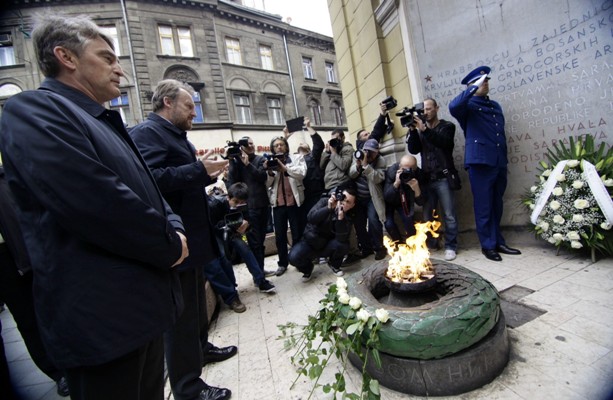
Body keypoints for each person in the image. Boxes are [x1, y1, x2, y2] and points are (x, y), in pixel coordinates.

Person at [0, 13, 188, 399]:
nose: (120, 70)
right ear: (66, 57)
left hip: (142, 315)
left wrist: (174, 225)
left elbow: (148, 190)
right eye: (107, 58)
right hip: (102, 324)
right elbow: (98, 201)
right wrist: (170, 244)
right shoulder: (32, 112)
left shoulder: (104, 121)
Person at [130, 79, 236, 400]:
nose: (194, 113)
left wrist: (205, 171)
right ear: (167, 102)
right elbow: (149, 181)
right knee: (180, 318)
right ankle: (188, 387)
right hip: (176, 245)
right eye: (189, 106)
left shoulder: (176, 136)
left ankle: (201, 349)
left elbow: (185, 177)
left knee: (194, 309)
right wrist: (197, 170)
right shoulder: (146, 134)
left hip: (196, 242)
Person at [0, 166, 70, 398]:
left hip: (23, 250)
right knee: (27, 319)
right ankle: (57, 372)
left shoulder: (6, 174)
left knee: (51, 310)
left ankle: (70, 363)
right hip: (5, 262)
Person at [449, 66, 521, 261]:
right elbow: (453, 106)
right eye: (482, 81)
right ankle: (487, 245)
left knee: (496, 204)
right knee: (483, 207)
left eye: (487, 80)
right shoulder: (467, 106)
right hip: (479, 162)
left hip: (497, 160)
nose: (486, 83)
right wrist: (473, 87)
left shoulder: (495, 105)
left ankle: (499, 241)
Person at [407, 98, 459, 261]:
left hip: (443, 177)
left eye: (429, 109)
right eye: (424, 110)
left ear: (436, 108)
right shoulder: (420, 129)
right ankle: (432, 243)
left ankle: (451, 246)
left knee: (449, 214)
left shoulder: (447, 126)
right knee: (427, 215)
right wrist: (414, 131)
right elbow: (413, 149)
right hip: (427, 179)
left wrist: (425, 130)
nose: (426, 112)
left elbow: (444, 143)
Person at [208, 182, 276, 293]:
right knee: (224, 257)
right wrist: (227, 224)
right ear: (228, 197)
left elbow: (249, 220)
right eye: (235, 201)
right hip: (218, 235)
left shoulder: (243, 206)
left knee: (246, 250)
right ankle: (231, 289)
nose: (237, 205)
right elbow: (212, 225)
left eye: (241, 202)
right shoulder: (216, 205)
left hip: (233, 233)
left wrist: (246, 225)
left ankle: (260, 281)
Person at [227, 137, 274, 276]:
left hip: (263, 205)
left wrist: (248, 165)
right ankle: (258, 275)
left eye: (252, 143)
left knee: (261, 241)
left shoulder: (259, 160)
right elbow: (231, 182)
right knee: (254, 243)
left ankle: (260, 271)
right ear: (241, 147)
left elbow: (262, 177)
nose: (251, 146)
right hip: (247, 209)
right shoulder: (236, 162)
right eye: (247, 144)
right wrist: (232, 161)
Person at [288, 188, 358, 280]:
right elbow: (311, 217)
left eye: (348, 202)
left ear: (352, 205)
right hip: (310, 242)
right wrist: (328, 208)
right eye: (343, 198)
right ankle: (307, 269)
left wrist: (340, 219)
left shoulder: (348, 217)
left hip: (327, 245)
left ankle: (334, 265)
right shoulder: (325, 201)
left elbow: (341, 239)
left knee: (343, 245)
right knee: (293, 257)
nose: (343, 202)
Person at [265, 136, 307, 276]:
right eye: (276, 145)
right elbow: (267, 184)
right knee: (280, 237)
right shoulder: (271, 162)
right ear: (272, 149)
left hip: (294, 203)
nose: (279, 147)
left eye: (281, 144)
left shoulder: (296, 158)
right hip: (278, 204)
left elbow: (301, 174)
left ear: (286, 147)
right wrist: (270, 172)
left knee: (297, 233)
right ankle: (282, 264)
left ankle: (297, 259)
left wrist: (285, 168)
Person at [349, 139, 387, 260]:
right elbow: (351, 174)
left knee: (373, 221)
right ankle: (366, 248)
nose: (368, 154)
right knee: (359, 224)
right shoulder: (358, 156)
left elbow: (378, 178)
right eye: (366, 151)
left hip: (372, 197)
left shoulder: (381, 161)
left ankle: (379, 248)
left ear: (377, 152)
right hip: (359, 197)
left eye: (371, 152)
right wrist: (358, 165)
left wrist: (366, 166)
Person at [383, 155, 427, 242]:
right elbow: (387, 196)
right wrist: (396, 183)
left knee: (409, 220)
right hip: (390, 202)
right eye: (403, 169)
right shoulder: (392, 171)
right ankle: (399, 244)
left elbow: (421, 202)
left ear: (414, 169)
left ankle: (413, 244)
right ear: (399, 165)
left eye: (408, 170)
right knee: (389, 224)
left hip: (403, 202)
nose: (405, 172)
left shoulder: (418, 175)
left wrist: (417, 189)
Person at [294, 117, 326, 218]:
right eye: (299, 144)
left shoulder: (313, 156)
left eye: (303, 143)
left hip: (316, 194)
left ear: (308, 149)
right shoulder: (294, 160)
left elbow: (319, 144)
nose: (300, 143)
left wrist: (308, 127)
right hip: (302, 197)